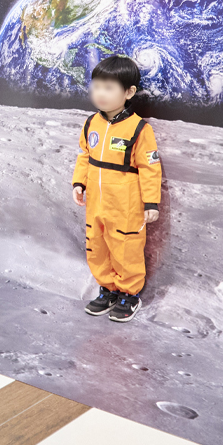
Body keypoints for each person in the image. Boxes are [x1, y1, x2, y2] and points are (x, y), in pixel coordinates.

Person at [71, 56, 162, 322]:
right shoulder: (91, 124)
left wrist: (151, 203)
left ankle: (128, 294)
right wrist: (79, 182)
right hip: (97, 204)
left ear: (129, 92)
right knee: (97, 247)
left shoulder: (139, 129)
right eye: (97, 86)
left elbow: (149, 168)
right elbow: (84, 156)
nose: (100, 94)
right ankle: (108, 289)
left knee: (125, 248)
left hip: (126, 206)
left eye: (109, 88)